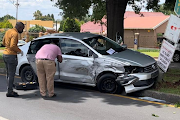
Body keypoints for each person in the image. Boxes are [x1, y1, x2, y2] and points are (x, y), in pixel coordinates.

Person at [2, 22, 24, 97]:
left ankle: (9, 89)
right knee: (11, 74)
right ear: (19, 27)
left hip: (5, 54)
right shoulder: (15, 33)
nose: (22, 30)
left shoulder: (8, 31)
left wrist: (8, 47)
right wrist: (19, 51)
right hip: (11, 56)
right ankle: (10, 91)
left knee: (8, 74)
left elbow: (4, 42)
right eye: (22, 28)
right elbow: (12, 46)